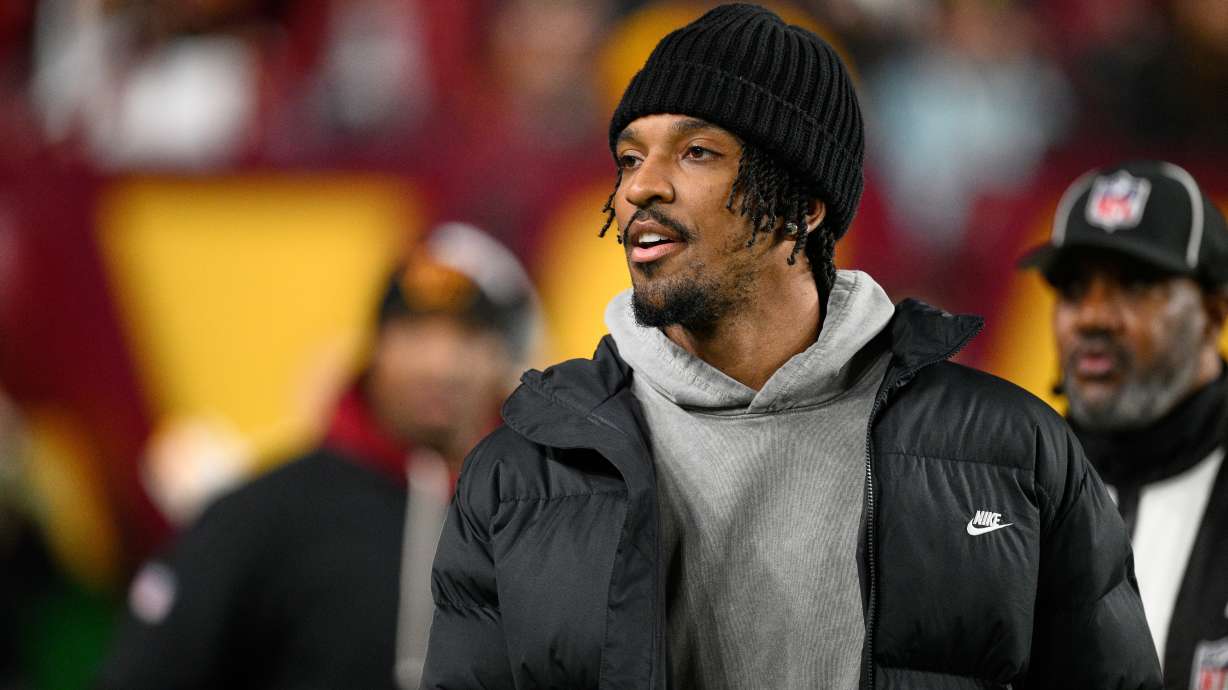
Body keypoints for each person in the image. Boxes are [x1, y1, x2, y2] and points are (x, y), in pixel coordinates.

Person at [421, 4, 1160, 689]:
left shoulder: (1014, 453)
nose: (640, 188)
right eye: (629, 157)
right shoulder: (516, 478)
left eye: (697, 152)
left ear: (803, 207)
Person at [97, 223, 539, 690]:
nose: (437, 363)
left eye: (466, 338)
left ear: (503, 360)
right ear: (374, 349)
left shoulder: (548, 521)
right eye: (413, 333)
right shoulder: (265, 513)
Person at [1020, 160, 1228, 690]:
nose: (1092, 317)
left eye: (1134, 285)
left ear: (1214, 311)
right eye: (1072, 290)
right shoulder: (1011, 491)